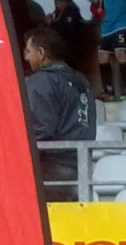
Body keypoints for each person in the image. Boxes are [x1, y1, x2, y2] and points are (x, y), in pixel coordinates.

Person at [23, 27, 95, 203]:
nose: (25, 58)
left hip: (51, 171)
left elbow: (41, 128)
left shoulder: (41, 80)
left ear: (41, 53)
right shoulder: (81, 81)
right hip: (80, 170)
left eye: (28, 51)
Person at [45, 0, 85, 71]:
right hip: (60, 49)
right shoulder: (58, 12)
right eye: (55, 0)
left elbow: (68, 32)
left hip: (70, 51)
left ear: (65, 0)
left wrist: (52, 24)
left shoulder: (72, 12)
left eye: (58, 0)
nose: (56, 3)